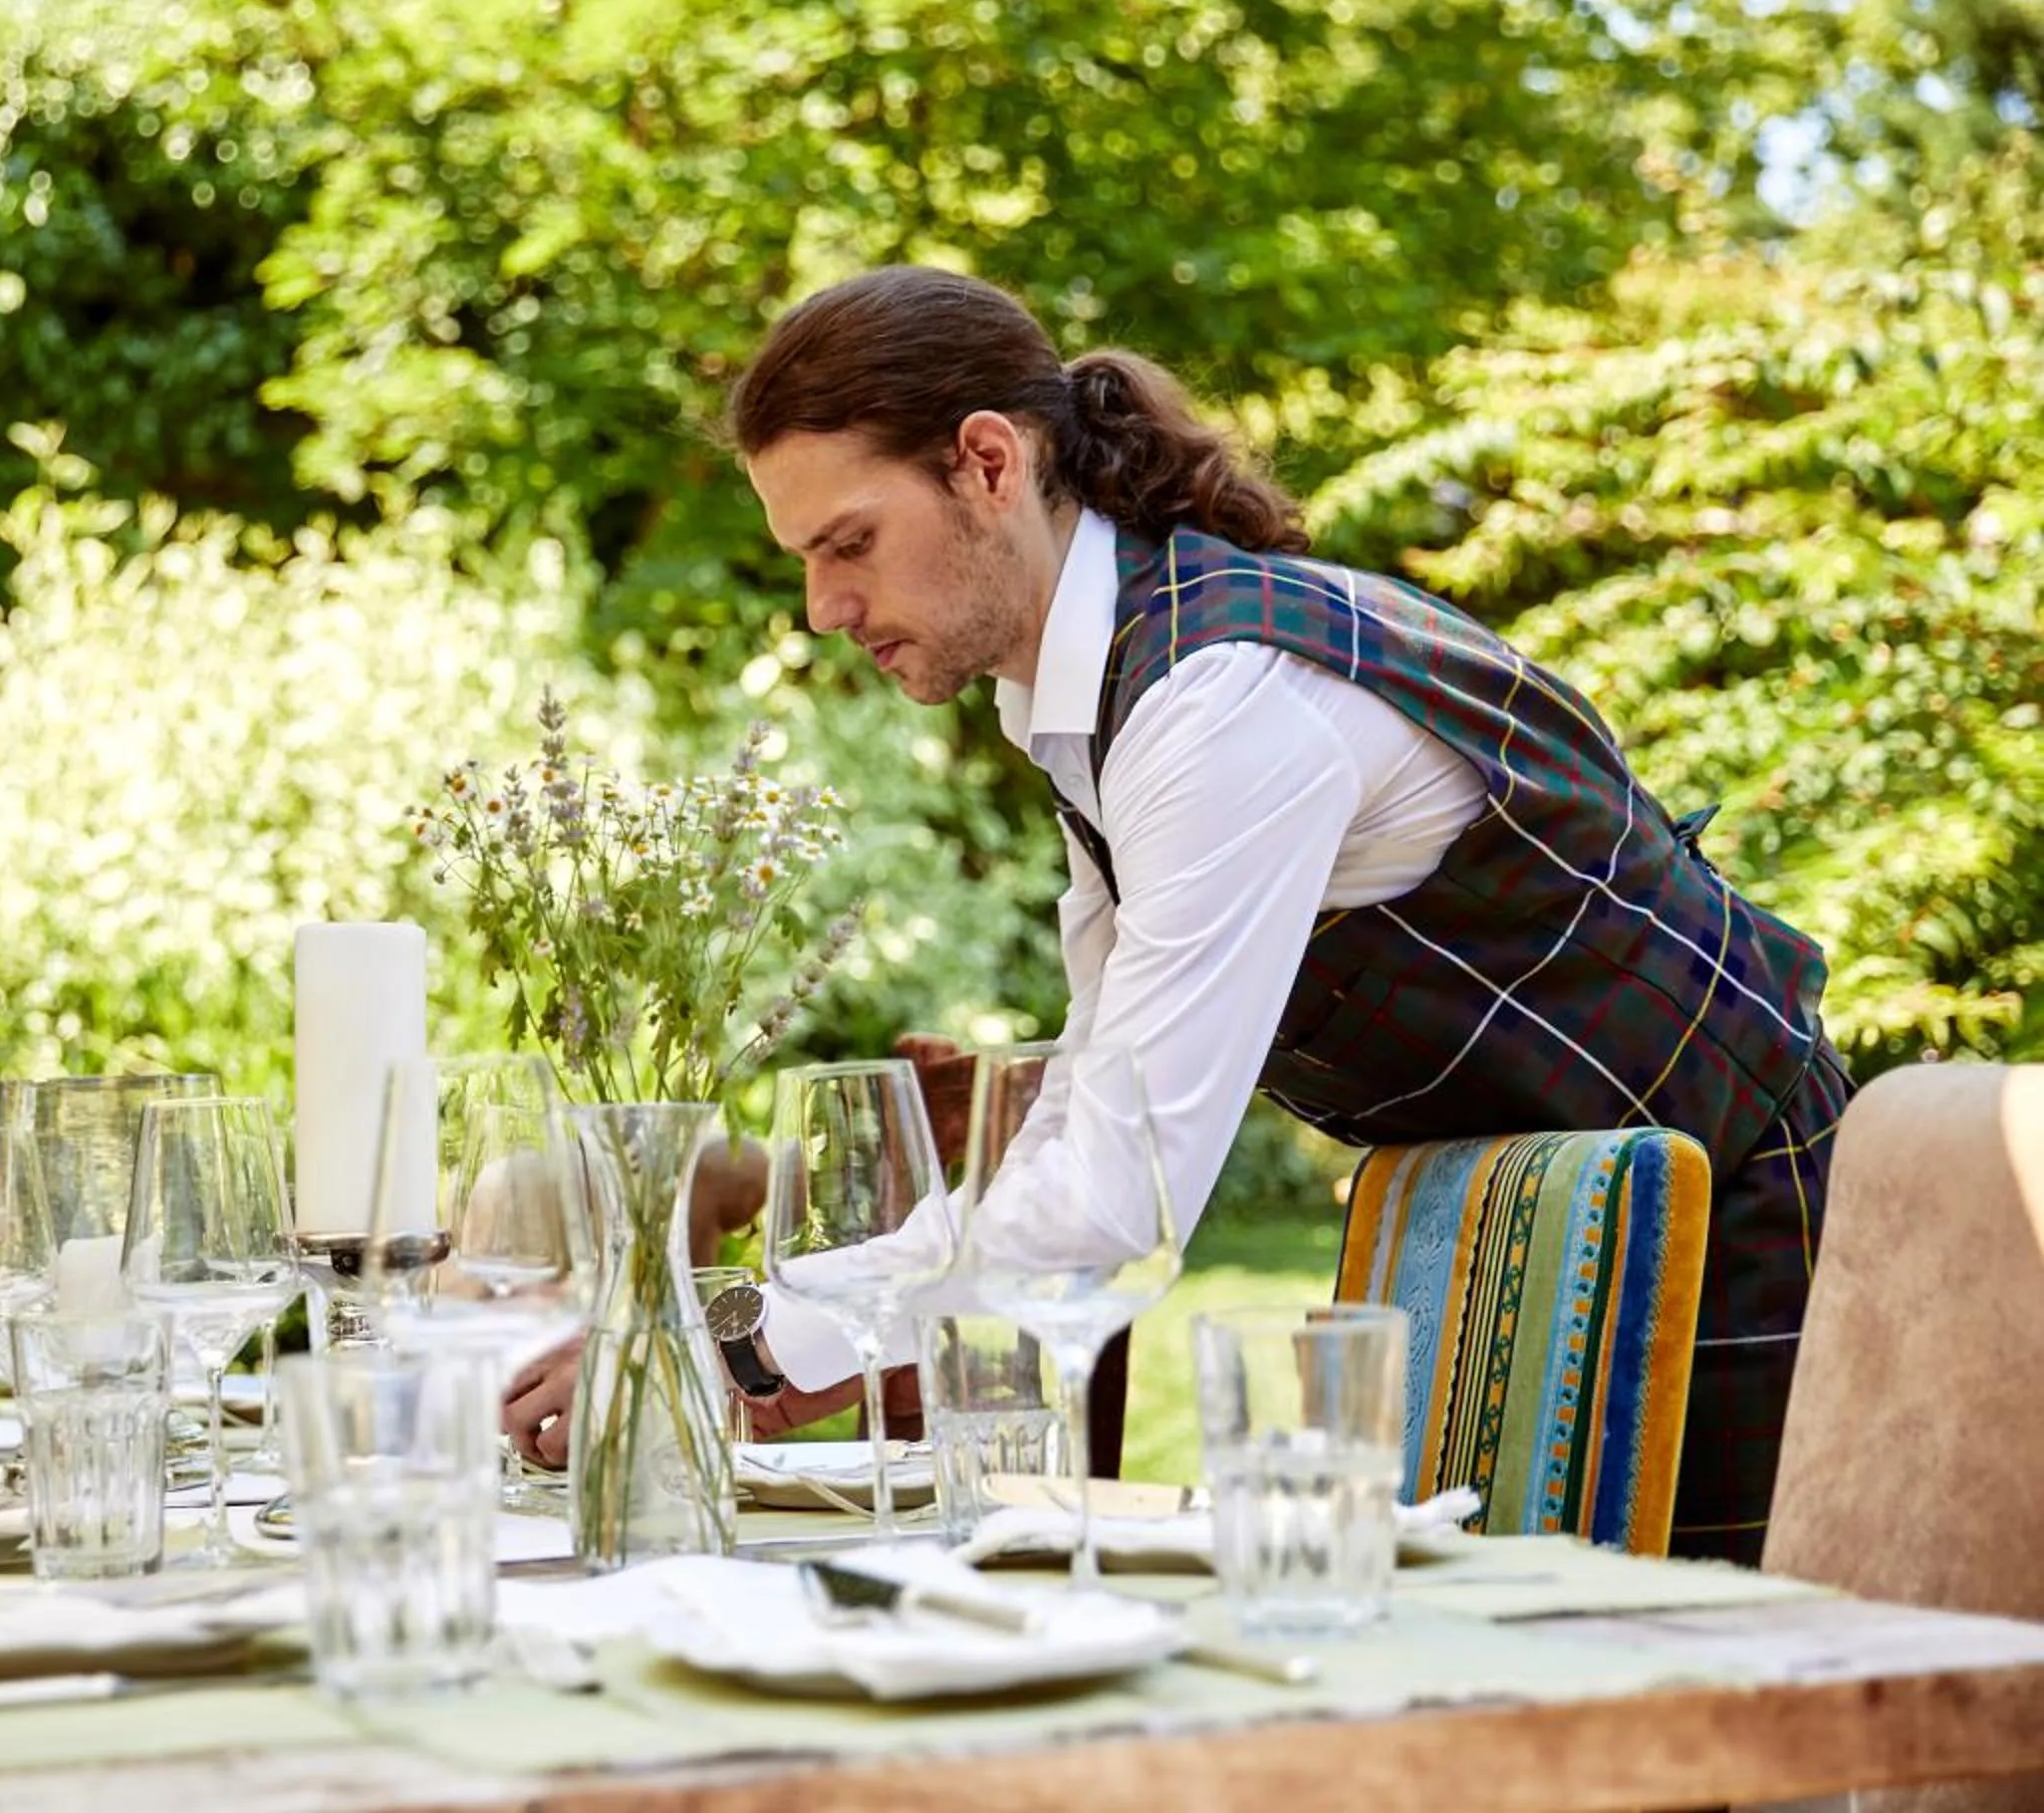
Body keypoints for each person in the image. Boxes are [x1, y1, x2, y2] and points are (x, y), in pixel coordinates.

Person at [505, 265, 1851, 1565]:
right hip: (1547, 1263)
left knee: (1718, 1703)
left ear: (988, 463)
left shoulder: (1219, 703)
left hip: (1744, 1231)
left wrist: (727, 1350)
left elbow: (1114, 1200)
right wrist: (725, 1331)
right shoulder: (1091, 700)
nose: (823, 608)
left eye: (849, 543)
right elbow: (1080, 1119)